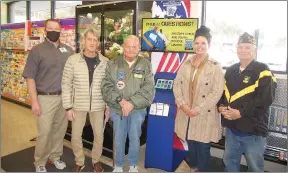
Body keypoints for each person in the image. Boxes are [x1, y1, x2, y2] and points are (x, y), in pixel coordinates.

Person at [218, 32, 277, 172]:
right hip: (232, 129)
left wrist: (240, 113)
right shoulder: (231, 70)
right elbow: (224, 94)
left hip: (253, 131)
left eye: (247, 47)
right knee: (229, 162)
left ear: (255, 51)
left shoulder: (263, 70)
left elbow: (264, 99)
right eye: (240, 47)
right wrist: (220, 106)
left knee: (255, 166)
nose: (243, 50)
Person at [22, 19, 74, 172]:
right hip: (45, 98)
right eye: (50, 28)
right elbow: (30, 77)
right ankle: (40, 161)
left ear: (61, 31)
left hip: (64, 98)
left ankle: (55, 157)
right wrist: (34, 101)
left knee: (60, 130)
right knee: (44, 132)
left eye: (56, 28)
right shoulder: (37, 51)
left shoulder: (68, 50)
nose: (53, 31)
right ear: (45, 31)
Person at [173, 25, 225, 172]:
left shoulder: (215, 66)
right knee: (191, 145)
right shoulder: (186, 63)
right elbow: (176, 85)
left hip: (203, 114)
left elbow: (217, 91)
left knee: (203, 148)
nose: (199, 46)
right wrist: (182, 105)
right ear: (193, 44)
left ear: (209, 45)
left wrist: (198, 109)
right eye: (197, 43)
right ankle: (193, 169)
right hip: (186, 113)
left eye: (203, 43)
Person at [101, 35, 155, 172]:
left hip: (137, 110)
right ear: (123, 47)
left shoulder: (145, 65)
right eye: (128, 46)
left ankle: (133, 165)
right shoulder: (113, 63)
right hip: (117, 108)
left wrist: (131, 103)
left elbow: (149, 90)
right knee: (118, 138)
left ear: (139, 48)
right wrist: (121, 101)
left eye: (134, 47)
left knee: (134, 138)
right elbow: (106, 86)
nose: (131, 49)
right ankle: (118, 165)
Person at [61, 28, 110, 172]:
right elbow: (66, 83)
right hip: (78, 105)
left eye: (95, 40)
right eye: (89, 39)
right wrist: (68, 107)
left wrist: (107, 105)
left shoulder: (105, 62)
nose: (92, 43)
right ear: (83, 41)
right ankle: (79, 160)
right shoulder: (73, 60)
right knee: (76, 136)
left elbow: (108, 85)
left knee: (99, 135)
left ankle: (96, 160)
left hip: (98, 105)